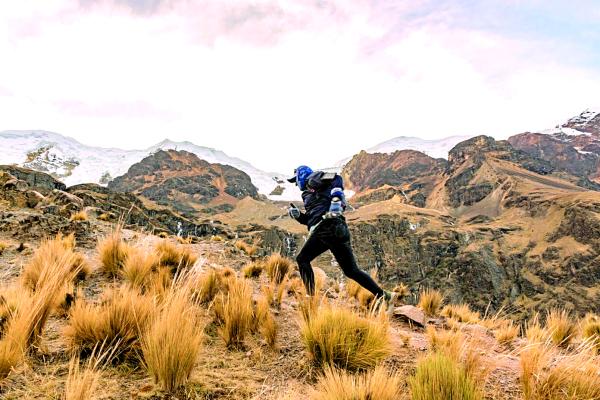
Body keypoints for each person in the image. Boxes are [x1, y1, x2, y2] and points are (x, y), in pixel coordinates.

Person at [287, 165, 396, 305]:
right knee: (351, 270)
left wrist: (336, 199)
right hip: (338, 229)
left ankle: (310, 300)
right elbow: (310, 219)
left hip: (327, 226)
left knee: (302, 259)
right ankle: (385, 296)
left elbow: (336, 177)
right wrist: (298, 216)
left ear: (301, 175)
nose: (296, 184)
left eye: (296, 180)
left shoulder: (313, 178)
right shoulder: (308, 194)